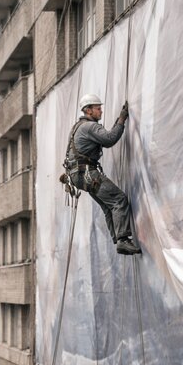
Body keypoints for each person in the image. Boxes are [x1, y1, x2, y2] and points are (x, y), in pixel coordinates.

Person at [63, 94, 141, 255]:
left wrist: (117, 123)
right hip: (87, 173)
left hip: (79, 174)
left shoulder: (79, 127)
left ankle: (118, 239)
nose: (101, 111)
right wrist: (122, 119)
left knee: (108, 206)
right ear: (88, 110)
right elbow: (110, 139)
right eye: (98, 109)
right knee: (118, 199)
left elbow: (105, 137)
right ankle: (123, 240)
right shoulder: (89, 127)